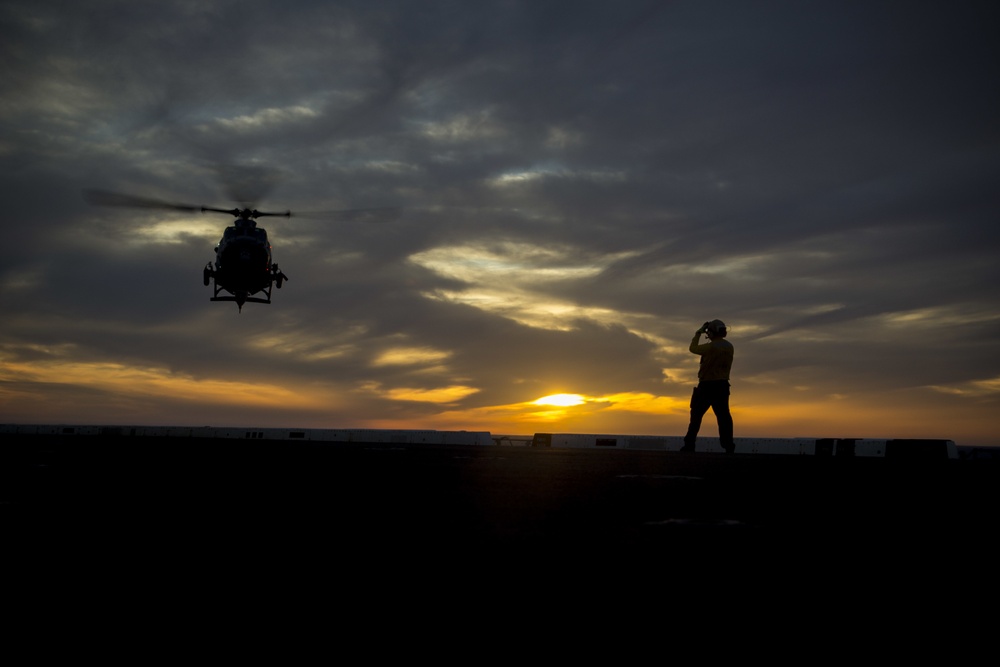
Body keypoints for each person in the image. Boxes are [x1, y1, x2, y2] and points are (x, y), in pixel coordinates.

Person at [680, 319, 735, 454]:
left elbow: (693, 348)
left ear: (712, 332)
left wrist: (698, 332)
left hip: (706, 385)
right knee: (724, 417)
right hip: (722, 385)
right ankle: (728, 445)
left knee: (696, 416)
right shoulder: (729, 346)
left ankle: (689, 445)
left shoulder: (710, 347)